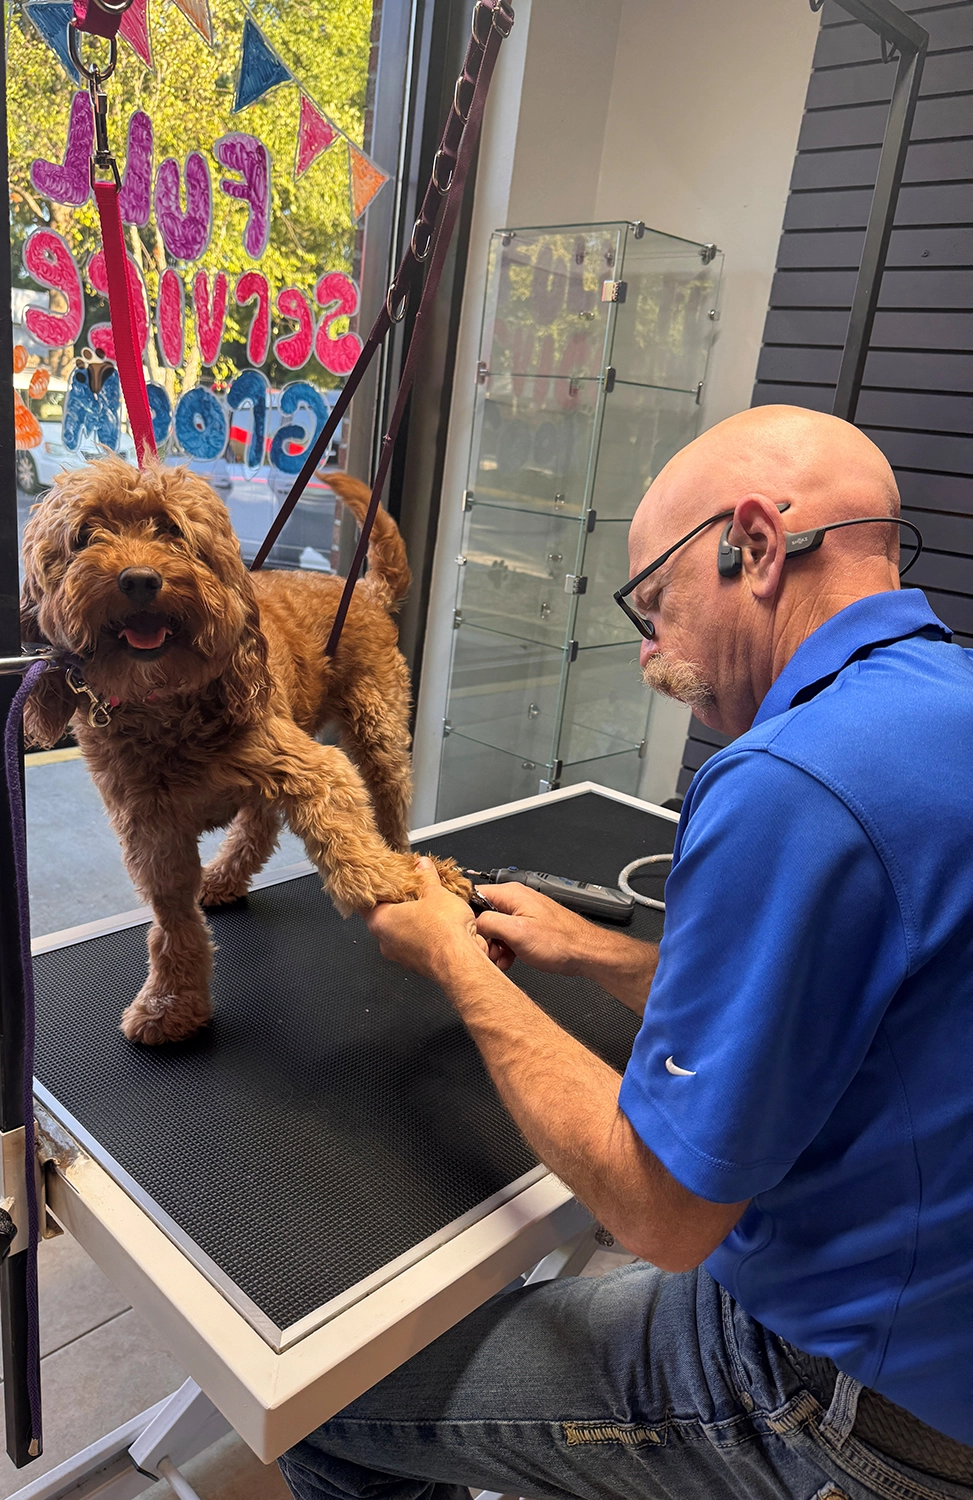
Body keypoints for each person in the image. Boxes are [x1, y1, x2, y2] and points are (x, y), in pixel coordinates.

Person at [278, 406, 973, 1500]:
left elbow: (659, 1212)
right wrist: (600, 953)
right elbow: (844, 1010)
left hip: (850, 1399)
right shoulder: (949, 705)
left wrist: (455, 962)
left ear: (752, 546)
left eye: (653, 609)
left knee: (329, 1407)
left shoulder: (788, 781)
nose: (650, 654)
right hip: (939, 1338)